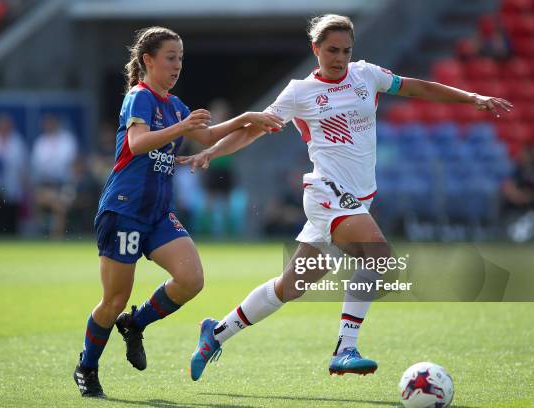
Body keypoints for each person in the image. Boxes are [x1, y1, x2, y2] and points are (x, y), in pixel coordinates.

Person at [180, 14, 512, 381]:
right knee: (379, 257)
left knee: (289, 286)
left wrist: (471, 97)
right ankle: (345, 348)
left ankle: (216, 332)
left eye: (346, 50)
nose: (339, 58)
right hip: (327, 193)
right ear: (316, 49)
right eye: (332, 50)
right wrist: (214, 152)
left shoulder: (366, 75)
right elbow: (254, 129)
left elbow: (418, 87)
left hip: (356, 201)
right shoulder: (299, 92)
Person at [73, 26, 283, 398]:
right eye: (171, 58)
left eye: (181, 58)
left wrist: (248, 118)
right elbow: (137, 145)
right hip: (123, 210)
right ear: (147, 61)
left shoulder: (173, 105)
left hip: (157, 213)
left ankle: (135, 324)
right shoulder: (139, 98)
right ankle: (87, 367)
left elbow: (206, 136)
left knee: (191, 280)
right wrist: (180, 127)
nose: (177, 65)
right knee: (113, 299)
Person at [30, 114, 78, 238]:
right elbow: (37, 166)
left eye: (51, 124)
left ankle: (56, 237)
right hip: (45, 184)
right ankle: (42, 233)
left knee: (59, 204)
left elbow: (71, 162)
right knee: (40, 200)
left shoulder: (67, 139)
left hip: (64, 183)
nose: (48, 127)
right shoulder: (40, 142)